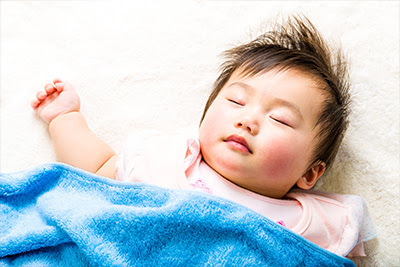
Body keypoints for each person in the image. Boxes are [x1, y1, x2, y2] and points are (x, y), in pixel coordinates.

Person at [31, 16, 376, 258]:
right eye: (236, 101)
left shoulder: (318, 223)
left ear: (310, 173)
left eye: (280, 119)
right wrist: (65, 117)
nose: (248, 120)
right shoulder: (167, 162)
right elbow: (97, 167)